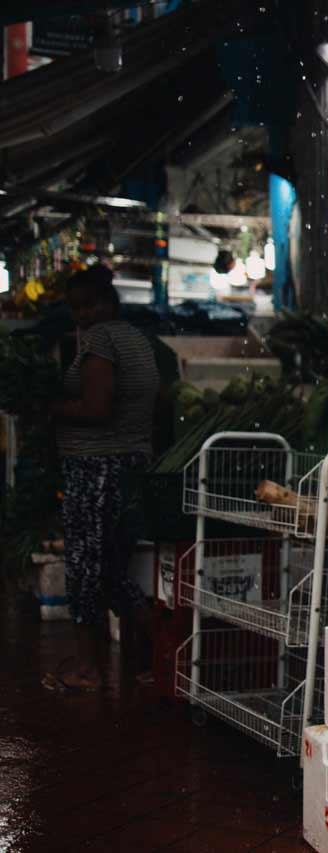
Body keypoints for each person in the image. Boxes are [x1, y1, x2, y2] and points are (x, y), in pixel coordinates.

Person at [46, 265, 160, 691]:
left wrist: (49, 407)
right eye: (75, 307)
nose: (81, 315)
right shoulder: (136, 338)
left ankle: (89, 669)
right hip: (127, 464)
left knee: (85, 569)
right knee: (112, 570)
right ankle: (165, 656)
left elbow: (97, 408)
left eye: (88, 304)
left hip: (96, 467)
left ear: (109, 302)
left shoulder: (101, 339)